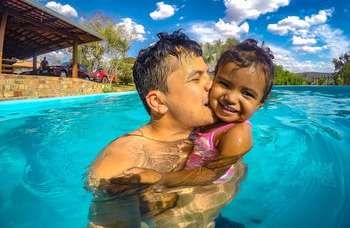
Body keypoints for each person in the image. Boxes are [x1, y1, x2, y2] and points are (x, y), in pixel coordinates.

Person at [86, 30, 220, 227]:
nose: (212, 85)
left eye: (208, 75)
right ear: (158, 102)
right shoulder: (123, 160)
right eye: (196, 79)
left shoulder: (211, 134)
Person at [126, 38, 275, 187]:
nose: (231, 98)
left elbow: (210, 174)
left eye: (247, 94)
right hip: (185, 180)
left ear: (260, 104)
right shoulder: (205, 119)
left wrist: (159, 178)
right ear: (214, 80)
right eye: (224, 84)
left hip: (206, 191)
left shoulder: (237, 133)